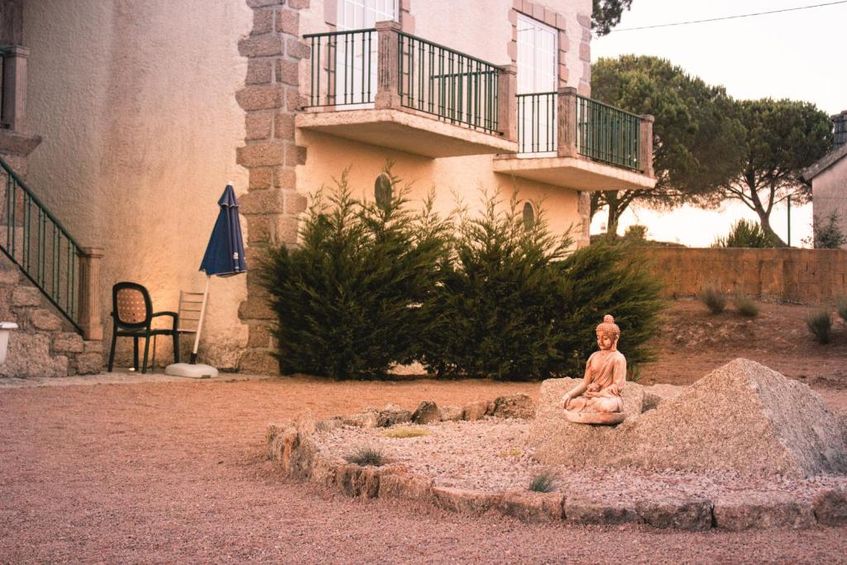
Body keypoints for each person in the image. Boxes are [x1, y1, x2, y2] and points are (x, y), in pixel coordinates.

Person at [561, 314, 626, 414]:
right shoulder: (594, 356)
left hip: (608, 398)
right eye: (598, 338)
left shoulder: (618, 358)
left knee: (605, 406)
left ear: (615, 338)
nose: (600, 342)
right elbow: (585, 383)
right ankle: (589, 407)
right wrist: (569, 394)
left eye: (605, 338)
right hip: (591, 396)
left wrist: (599, 394)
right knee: (570, 402)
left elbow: (617, 386)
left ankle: (590, 408)